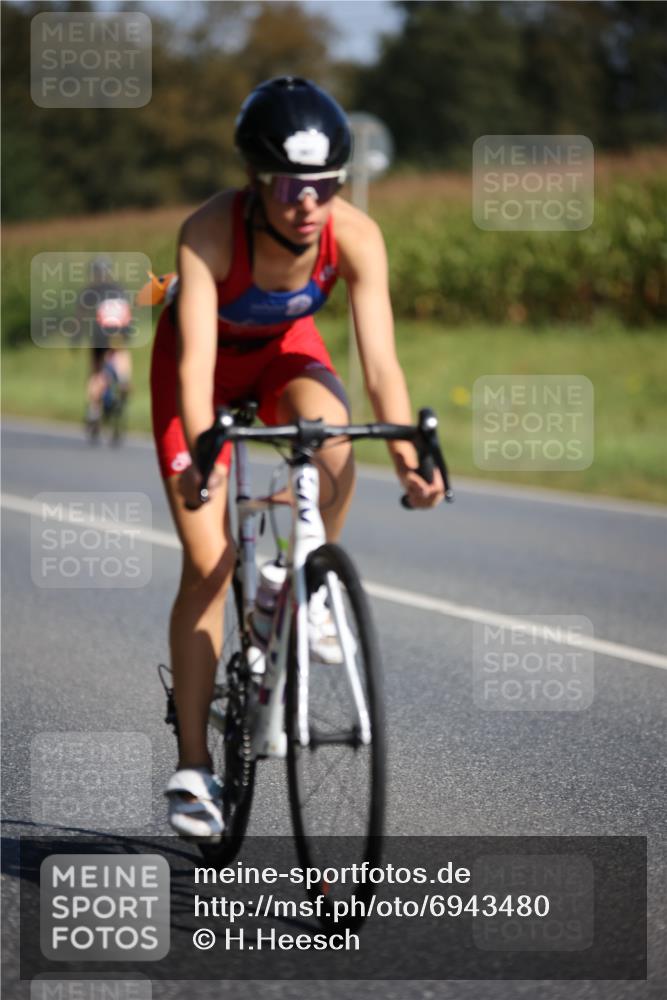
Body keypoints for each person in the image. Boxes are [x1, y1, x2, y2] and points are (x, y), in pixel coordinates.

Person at [150, 76, 445, 841]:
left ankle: (295, 583)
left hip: (284, 357)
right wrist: (203, 454)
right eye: (289, 184)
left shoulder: (354, 235)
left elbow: (379, 364)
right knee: (209, 563)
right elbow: (191, 370)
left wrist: (410, 450)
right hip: (202, 371)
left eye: (323, 184)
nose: (307, 202)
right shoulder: (210, 233)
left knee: (336, 439)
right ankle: (192, 765)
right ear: (255, 180)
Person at [77, 256, 133, 438]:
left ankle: (93, 411)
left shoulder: (90, 290)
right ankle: (124, 381)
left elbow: (80, 317)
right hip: (120, 333)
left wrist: (76, 338)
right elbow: (127, 312)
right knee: (121, 354)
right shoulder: (119, 289)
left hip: (100, 335)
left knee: (96, 372)